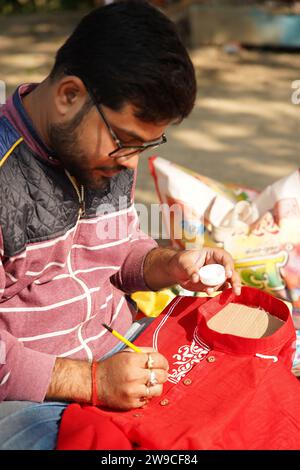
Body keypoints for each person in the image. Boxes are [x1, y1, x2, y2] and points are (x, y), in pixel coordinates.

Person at [0, 0, 241, 450]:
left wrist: (170, 264)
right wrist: (91, 382)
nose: (130, 162)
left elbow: (117, 252)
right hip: (29, 393)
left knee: (243, 383)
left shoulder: (105, 157)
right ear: (70, 95)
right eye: (125, 141)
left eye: (145, 145)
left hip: (120, 349)